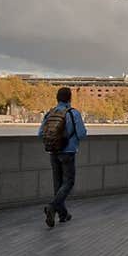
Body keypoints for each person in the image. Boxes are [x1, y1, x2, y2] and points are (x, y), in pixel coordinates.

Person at [38, 86, 88, 227]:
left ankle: (63, 214)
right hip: (68, 152)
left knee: (58, 184)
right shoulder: (73, 113)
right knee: (69, 182)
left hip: (53, 152)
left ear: (57, 98)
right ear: (70, 98)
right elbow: (82, 134)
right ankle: (52, 207)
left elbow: (40, 133)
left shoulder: (50, 113)